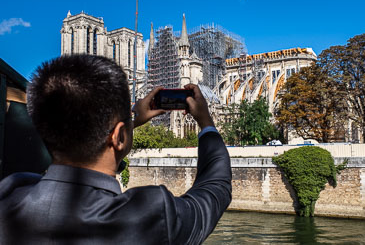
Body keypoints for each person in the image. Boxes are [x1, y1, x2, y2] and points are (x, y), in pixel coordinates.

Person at [0, 55, 232, 244]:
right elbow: (215, 188)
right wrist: (206, 123)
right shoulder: (147, 216)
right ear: (119, 136)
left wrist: (129, 119)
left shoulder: (10, 193)